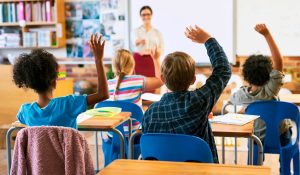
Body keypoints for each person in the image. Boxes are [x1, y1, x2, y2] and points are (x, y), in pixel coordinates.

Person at [142, 25, 232, 163]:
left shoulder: (150, 113)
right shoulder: (198, 102)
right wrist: (208, 40)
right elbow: (223, 70)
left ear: (162, 79)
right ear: (193, 80)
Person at [14, 34, 109, 129]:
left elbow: (20, 119)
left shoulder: (25, 111)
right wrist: (98, 60)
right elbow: (103, 95)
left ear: (31, 84)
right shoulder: (68, 104)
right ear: (53, 81)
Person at [230, 24, 292, 146]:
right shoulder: (270, 90)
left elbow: (233, 102)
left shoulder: (241, 95)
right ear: (270, 73)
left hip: (256, 139)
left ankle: (254, 162)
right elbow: (279, 61)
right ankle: (283, 163)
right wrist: (267, 34)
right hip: (279, 135)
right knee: (285, 127)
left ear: (246, 76)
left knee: (251, 137)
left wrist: (246, 109)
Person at [108, 49, 163, 135]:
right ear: (132, 66)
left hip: (113, 135)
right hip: (134, 135)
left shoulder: (107, 85)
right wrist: (156, 59)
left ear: (113, 66)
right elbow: (160, 81)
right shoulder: (137, 80)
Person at [133, 6, 164, 79]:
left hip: (154, 60)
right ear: (140, 16)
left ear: (151, 15)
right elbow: (132, 46)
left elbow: (161, 49)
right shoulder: (135, 31)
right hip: (139, 61)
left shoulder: (157, 33)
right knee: (140, 82)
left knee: (156, 81)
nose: (146, 16)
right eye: (143, 15)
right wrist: (139, 42)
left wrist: (155, 52)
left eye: (148, 14)